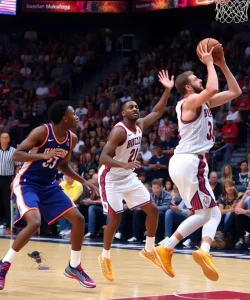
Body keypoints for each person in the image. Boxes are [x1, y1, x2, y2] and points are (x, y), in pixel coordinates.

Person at [154, 43, 241, 281]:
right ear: (189, 87)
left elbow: (235, 92)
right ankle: (194, 250)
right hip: (191, 161)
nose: (201, 78)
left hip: (186, 162)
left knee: (207, 214)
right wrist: (210, 63)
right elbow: (212, 88)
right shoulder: (188, 102)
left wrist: (222, 64)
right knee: (211, 215)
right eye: (196, 77)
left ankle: (171, 248)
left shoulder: (202, 102)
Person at [0, 101, 98, 290]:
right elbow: (17, 155)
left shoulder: (72, 138)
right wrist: (41, 156)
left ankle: (74, 267)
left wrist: (83, 180)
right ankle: (4, 265)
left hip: (49, 185)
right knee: (35, 222)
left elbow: (63, 164)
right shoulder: (42, 132)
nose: (77, 117)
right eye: (74, 114)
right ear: (65, 118)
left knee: (78, 219)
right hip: (27, 183)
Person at [98, 70, 174, 282]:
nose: (135, 109)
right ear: (122, 113)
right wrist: (125, 163)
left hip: (128, 176)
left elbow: (158, 112)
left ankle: (149, 249)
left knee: (153, 210)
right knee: (115, 220)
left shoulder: (139, 125)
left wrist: (167, 90)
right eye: (130, 107)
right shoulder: (119, 131)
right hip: (111, 178)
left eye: (136, 107)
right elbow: (102, 158)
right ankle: (105, 257)